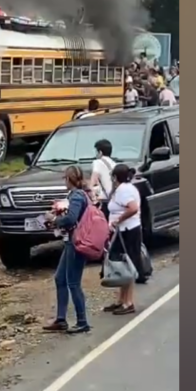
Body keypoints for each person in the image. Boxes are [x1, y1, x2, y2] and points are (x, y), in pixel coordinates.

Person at [42, 166, 92, 334]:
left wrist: (54, 219)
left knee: (73, 282)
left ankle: (82, 321)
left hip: (76, 242)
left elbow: (71, 218)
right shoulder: (78, 194)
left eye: (65, 178)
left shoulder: (77, 195)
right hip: (71, 241)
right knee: (60, 278)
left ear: (69, 179)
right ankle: (61, 319)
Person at [104, 163, 144, 314]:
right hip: (123, 231)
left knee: (127, 265)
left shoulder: (124, 190)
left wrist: (118, 220)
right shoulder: (125, 188)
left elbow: (133, 208)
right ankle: (121, 300)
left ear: (115, 177)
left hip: (127, 231)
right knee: (120, 265)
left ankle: (128, 302)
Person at [88, 139, 116, 208]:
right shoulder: (114, 164)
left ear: (100, 152)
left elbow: (93, 181)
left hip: (104, 201)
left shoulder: (97, 162)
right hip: (115, 199)